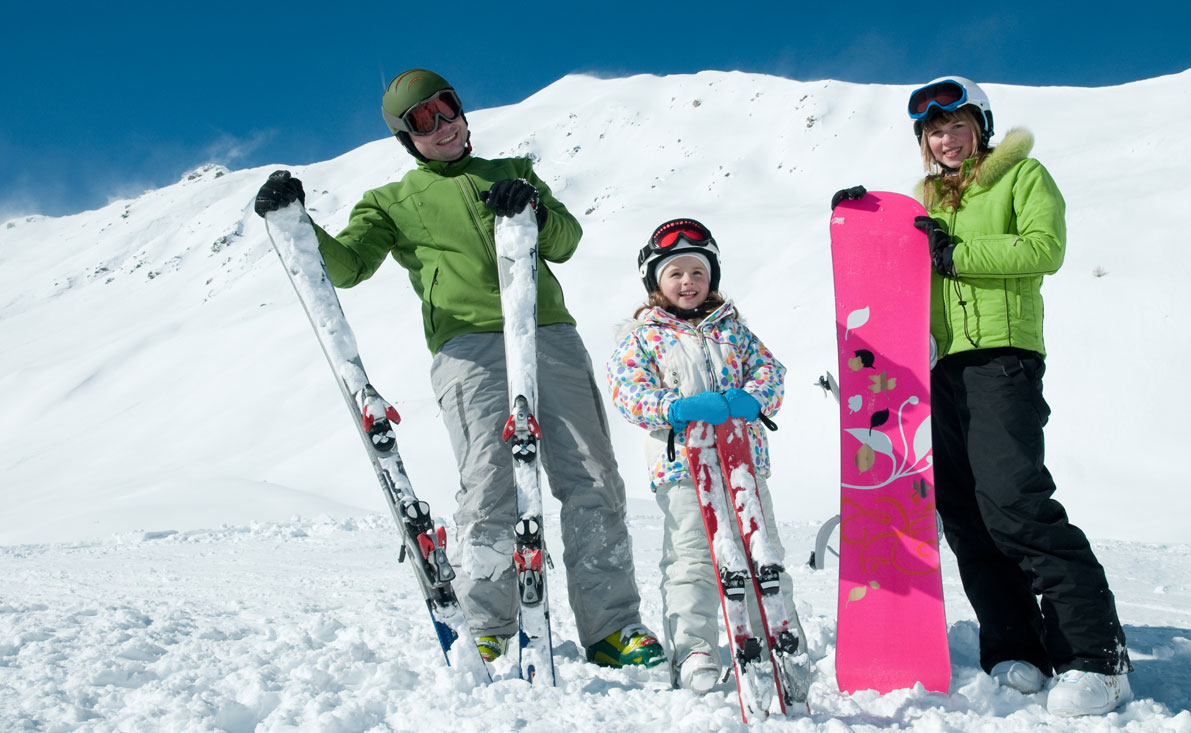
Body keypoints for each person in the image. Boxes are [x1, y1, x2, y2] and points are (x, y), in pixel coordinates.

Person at [253, 69, 663, 669]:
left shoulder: (513, 173)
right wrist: (296, 222)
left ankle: (612, 627)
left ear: (463, 113)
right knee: (489, 483)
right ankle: (491, 624)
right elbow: (346, 267)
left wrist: (533, 209)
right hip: (467, 349)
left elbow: (566, 241)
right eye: (423, 121)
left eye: (446, 110)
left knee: (592, 477)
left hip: (546, 331)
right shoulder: (390, 203)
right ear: (406, 137)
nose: (441, 127)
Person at [833, 76, 1131, 716]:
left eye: (957, 125)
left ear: (981, 128)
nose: (945, 138)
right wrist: (869, 222)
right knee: (965, 514)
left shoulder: (1021, 177)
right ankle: (1015, 644)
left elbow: (1043, 249)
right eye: (934, 131)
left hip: (1004, 361)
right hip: (939, 369)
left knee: (1015, 502)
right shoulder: (925, 202)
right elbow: (898, 272)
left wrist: (957, 250)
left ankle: (1096, 658)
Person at [606, 218, 810, 696]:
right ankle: (695, 649)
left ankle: (776, 635)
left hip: (742, 466)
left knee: (762, 552)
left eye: (698, 272)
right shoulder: (643, 336)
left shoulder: (733, 331)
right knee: (692, 558)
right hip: (682, 469)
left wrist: (754, 398)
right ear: (656, 282)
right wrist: (670, 408)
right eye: (675, 273)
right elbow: (628, 391)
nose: (688, 282)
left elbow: (771, 372)